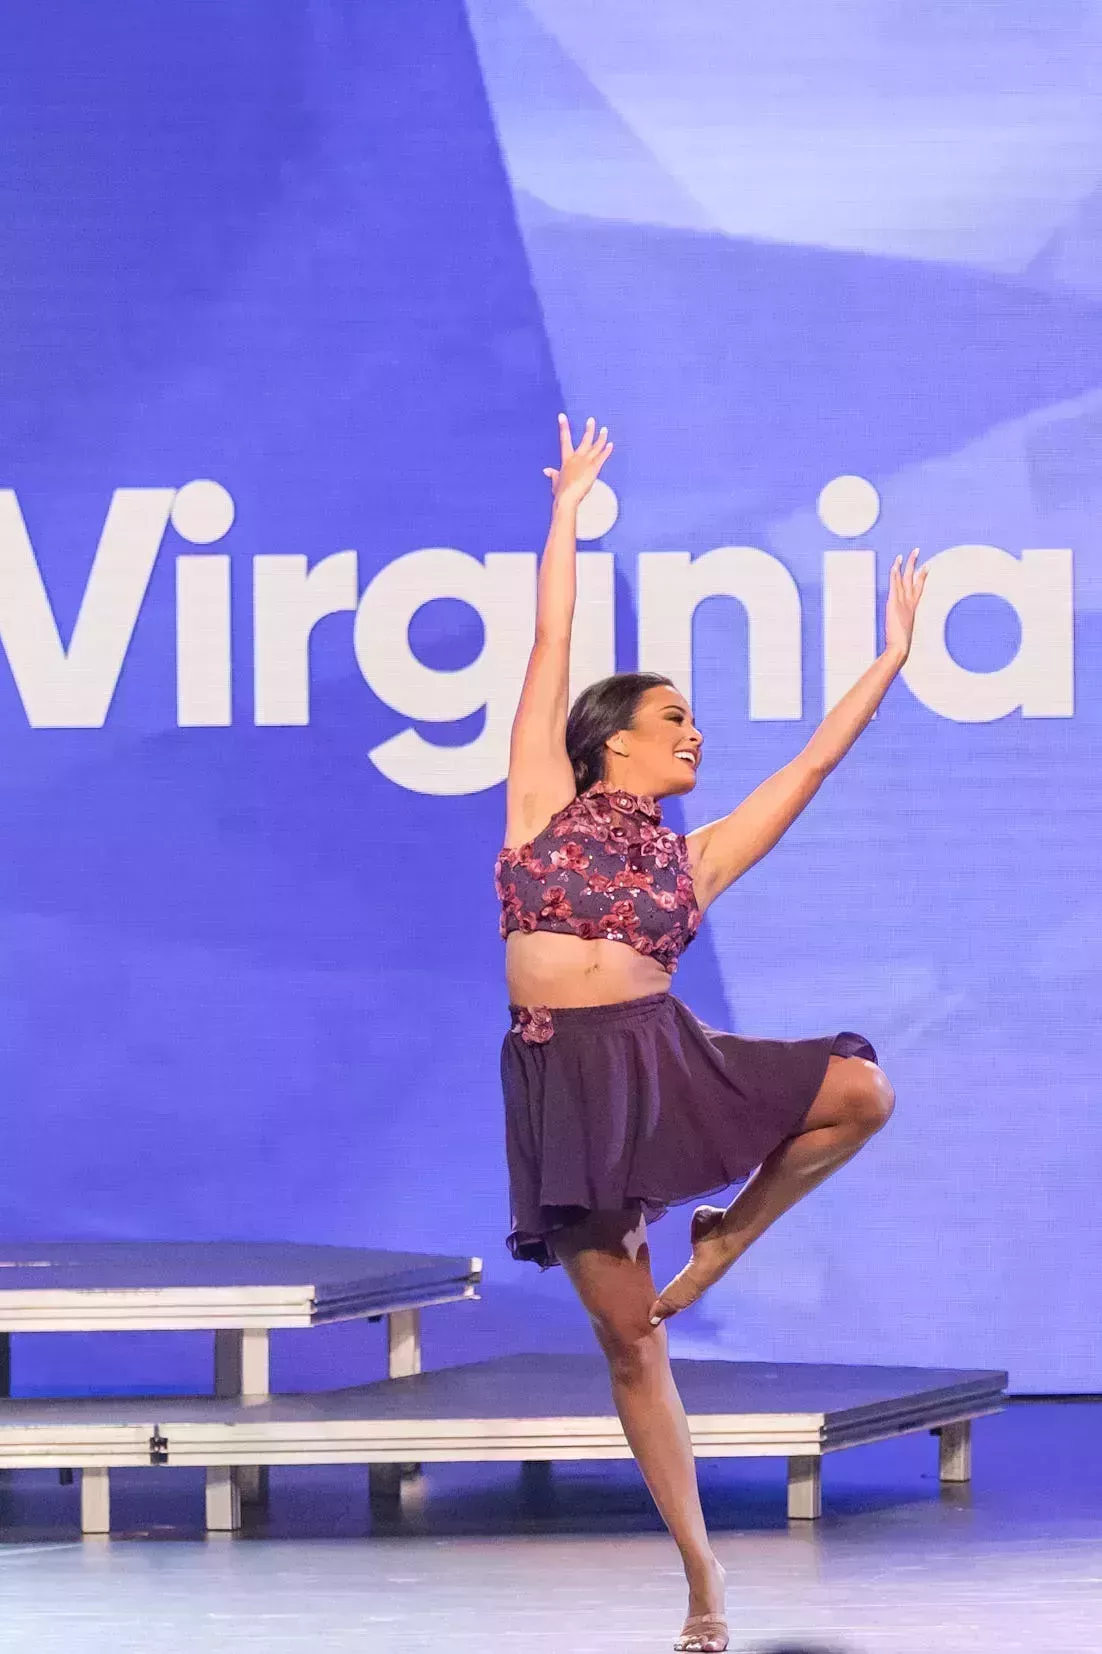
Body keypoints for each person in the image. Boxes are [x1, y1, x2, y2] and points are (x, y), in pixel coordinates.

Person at [495, 415, 927, 1653]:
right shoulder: (539, 801)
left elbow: (814, 764)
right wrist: (568, 511)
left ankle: (727, 1234)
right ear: (610, 740)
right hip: (564, 1082)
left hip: (658, 1059)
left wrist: (890, 657)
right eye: (673, 716)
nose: (694, 733)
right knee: (629, 1341)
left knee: (861, 1092)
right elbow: (550, 640)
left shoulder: (696, 860)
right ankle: (701, 1577)